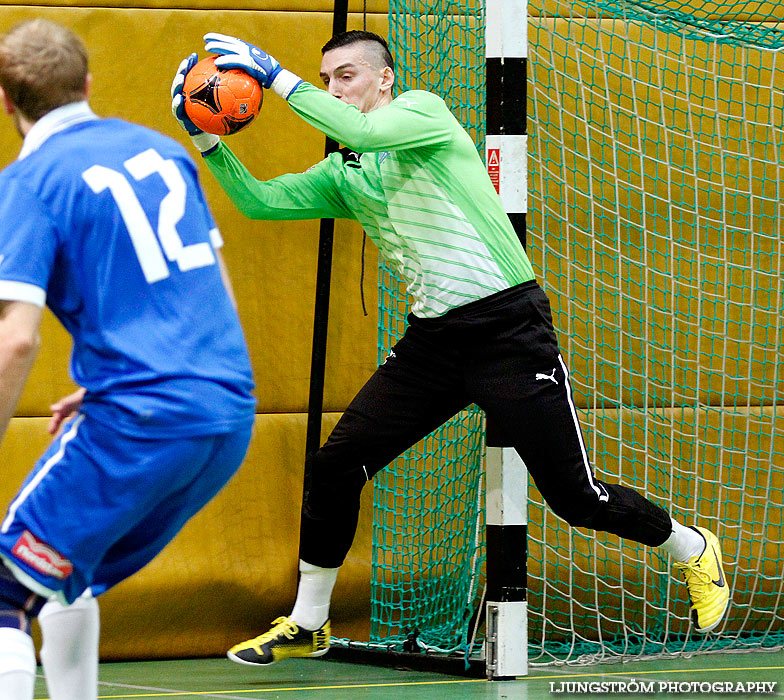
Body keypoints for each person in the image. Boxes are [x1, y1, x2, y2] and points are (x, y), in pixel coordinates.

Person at [171, 30, 729, 667]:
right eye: (326, 80)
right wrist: (205, 137)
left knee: (575, 498)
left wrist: (273, 76)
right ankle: (309, 622)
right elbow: (259, 201)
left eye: (347, 76)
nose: (335, 88)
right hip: (433, 343)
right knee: (335, 467)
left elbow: (369, 133)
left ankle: (689, 547)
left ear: (385, 80)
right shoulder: (346, 171)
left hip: (506, 332)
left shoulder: (422, 114)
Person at [0, 19, 256, 698]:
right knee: (63, 570)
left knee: (4, 590)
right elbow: (214, 292)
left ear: (6, 102)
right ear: (88, 84)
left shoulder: (28, 182)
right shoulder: (163, 152)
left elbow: (16, 337)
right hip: (227, 413)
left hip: (142, 419)